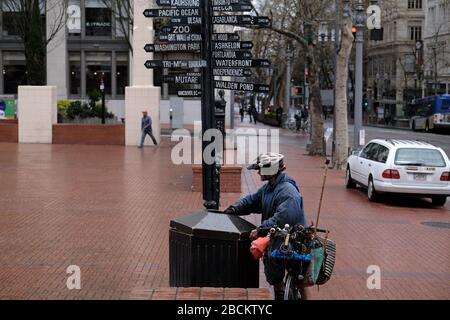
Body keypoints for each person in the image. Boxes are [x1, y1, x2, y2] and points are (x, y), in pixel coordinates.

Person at [223, 153, 307, 300]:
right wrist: (234, 209)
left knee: (298, 278)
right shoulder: (269, 187)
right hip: (276, 239)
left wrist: (260, 229)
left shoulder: (288, 190)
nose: (258, 172)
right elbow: (252, 200)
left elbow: (284, 217)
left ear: (270, 170)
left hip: (293, 241)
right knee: (275, 277)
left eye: (260, 169)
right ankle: (279, 295)